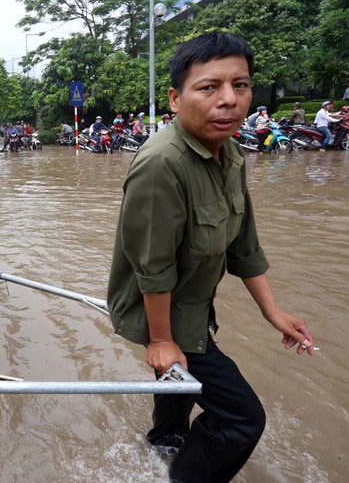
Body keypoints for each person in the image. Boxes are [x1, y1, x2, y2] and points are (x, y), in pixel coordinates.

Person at [107, 32, 314, 483]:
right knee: (241, 419)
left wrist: (272, 310)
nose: (229, 100)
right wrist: (162, 340)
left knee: (179, 391)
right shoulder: (162, 163)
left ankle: (164, 442)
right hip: (160, 310)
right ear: (176, 99)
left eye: (240, 85)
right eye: (209, 87)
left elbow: (243, 244)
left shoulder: (232, 152)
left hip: (195, 301)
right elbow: (153, 264)